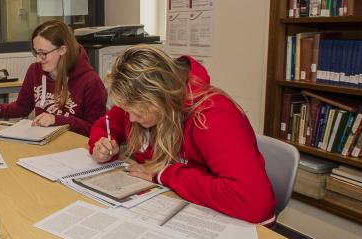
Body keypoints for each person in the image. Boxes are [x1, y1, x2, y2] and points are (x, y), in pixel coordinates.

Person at [87, 45, 275, 224]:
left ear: (159, 99)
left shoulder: (213, 115)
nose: (132, 118)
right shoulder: (138, 103)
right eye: (127, 110)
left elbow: (255, 203)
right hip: (172, 205)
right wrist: (102, 143)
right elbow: (106, 125)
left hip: (231, 225)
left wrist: (165, 173)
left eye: (138, 111)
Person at [0, 20, 106, 136]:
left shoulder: (90, 81)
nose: (38, 59)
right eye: (36, 52)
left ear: (62, 50)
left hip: (74, 149)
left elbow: (96, 129)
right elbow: (22, 107)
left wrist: (57, 120)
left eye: (43, 53)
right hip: (42, 143)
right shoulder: (35, 70)